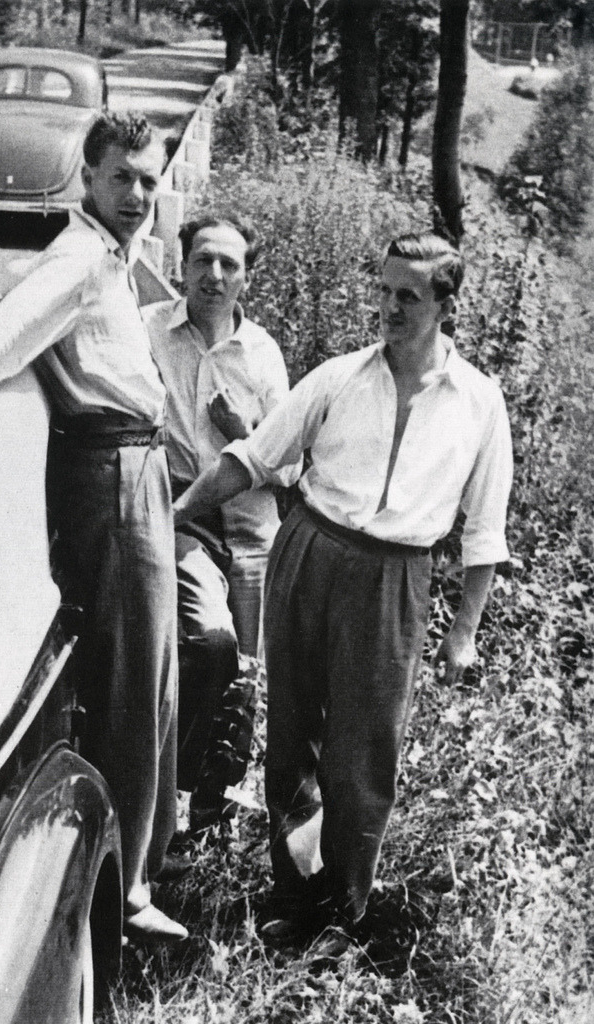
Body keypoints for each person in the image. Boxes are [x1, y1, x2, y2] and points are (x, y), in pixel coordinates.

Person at [0, 112, 188, 946]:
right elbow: (13, 320)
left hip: (138, 472)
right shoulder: (84, 258)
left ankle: (138, 859)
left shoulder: (118, 260)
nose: (136, 196)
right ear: (86, 179)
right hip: (114, 477)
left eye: (149, 182)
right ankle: (122, 891)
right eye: (121, 177)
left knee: (153, 669)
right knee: (131, 678)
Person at [172, 232, 514, 935]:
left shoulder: (479, 403)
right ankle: (291, 899)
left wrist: (465, 633)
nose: (389, 308)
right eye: (384, 291)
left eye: (408, 297)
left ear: (447, 305)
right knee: (293, 734)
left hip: (395, 579)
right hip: (311, 551)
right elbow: (253, 459)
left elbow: (484, 532)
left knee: (365, 752)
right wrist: (173, 514)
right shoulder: (338, 377)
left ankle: (341, 913)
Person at [143, 214, 293, 823]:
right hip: (183, 516)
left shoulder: (262, 354)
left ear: (246, 280)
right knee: (212, 640)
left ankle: (214, 810)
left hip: (253, 532)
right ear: (181, 266)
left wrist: (247, 434)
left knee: (249, 675)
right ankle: (171, 792)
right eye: (203, 260)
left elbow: (290, 470)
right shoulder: (149, 333)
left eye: (230, 264)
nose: (215, 274)